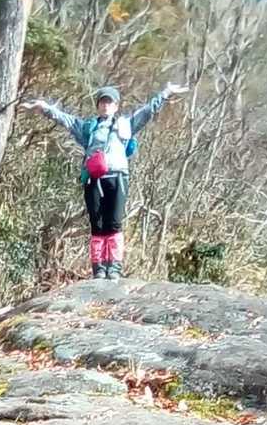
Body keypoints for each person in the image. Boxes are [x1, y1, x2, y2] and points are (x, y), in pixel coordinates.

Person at [25, 82, 187, 279]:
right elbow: (65, 119)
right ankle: (99, 268)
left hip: (118, 177)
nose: (105, 105)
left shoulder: (126, 124)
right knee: (97, 224)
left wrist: (166, 92)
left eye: (109, 102)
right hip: (94, 179)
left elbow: (147, 111)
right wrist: (44, 107)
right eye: (102, 102)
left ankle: (114, 266)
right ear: (98, 106)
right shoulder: (88, 128)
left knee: (114, 223)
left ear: (116, 106)